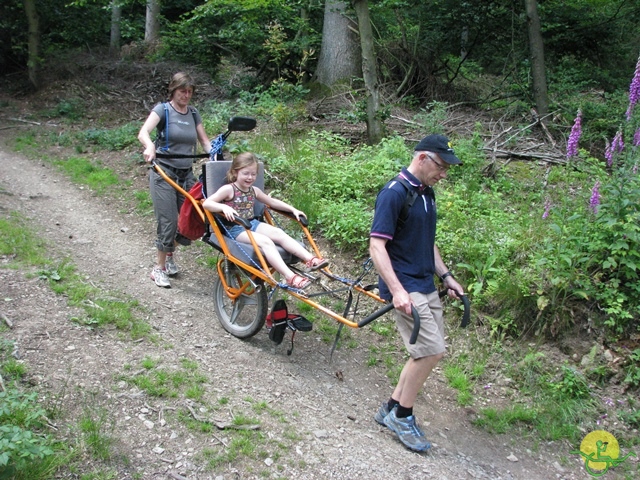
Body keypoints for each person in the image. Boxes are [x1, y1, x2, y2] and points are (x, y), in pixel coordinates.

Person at [369, 134, 465, 452]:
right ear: (422, 158)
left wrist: (447, 276)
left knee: (426, 351)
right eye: (440, 166)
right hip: (406, 286)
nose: (444, 173)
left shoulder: (427, 194)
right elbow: (377, 246)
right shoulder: (394, 193)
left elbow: (428, 242)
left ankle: (391, 408)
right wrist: (396, 291)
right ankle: (403, 416)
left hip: (425, 283)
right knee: (431, 351)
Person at [202, 152, 328, 289]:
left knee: (278, 233)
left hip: (251, 223)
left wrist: (293, 209)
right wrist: (222, 207)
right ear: (235, 172)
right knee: (266, 242)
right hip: (235, 228)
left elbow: (272, 201)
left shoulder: (253, 190)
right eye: (245, 173)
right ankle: (290, 277)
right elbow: (207, 203)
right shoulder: (228, 189)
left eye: (253, 174)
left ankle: (311, 260)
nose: (250, 177)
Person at [138, 72, 212, 288]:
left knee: (195, 219)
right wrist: (150, 146)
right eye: (182, 91)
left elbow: (204, 141)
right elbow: (144, 132)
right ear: (174, 90)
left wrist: (214, 153)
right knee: (168, 220)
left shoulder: (193, 113)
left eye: (189, 92)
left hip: (186, 173)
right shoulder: (163, 110)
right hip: (164, 172)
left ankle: (169, 252)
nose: (186, 96)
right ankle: (158, 268)